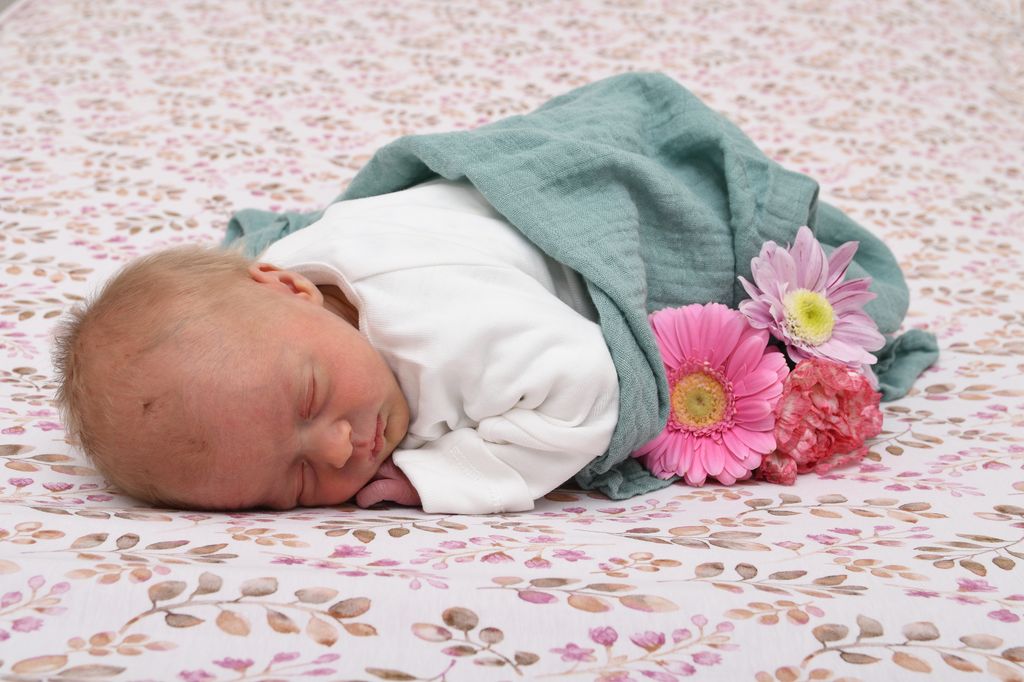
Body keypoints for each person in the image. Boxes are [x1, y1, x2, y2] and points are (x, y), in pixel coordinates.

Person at [52, 178, 620, 514]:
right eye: (299, 481)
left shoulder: (447, 333)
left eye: (310, 398)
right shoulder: (274, 321)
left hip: (557, 209)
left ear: (291, 285)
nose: (338, 450)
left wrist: (449, 474)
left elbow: (589, 387)